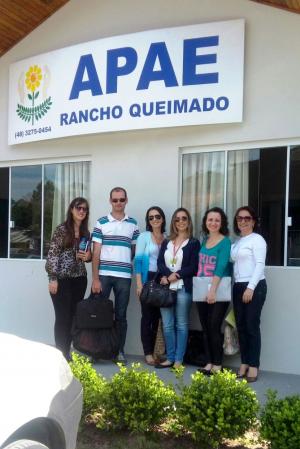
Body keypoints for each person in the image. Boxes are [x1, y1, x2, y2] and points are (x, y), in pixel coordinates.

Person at [91, 187, 139, 364]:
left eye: (121, 199)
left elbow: (133, 250)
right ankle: (96, 351)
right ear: (110, 201)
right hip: (103, 275)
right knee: (99, 314)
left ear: (126, 201)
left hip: (124, 277)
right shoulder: (101, 222)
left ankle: (119, 351)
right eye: (115, 200)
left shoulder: (133, 224)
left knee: (121, 316)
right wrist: (95, 279)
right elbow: (96, 253)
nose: (118, 203)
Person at [45, 197, 91, 361]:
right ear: (71, 209)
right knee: (62, 317)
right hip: (62, 280)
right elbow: (52, 255)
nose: (81, 211)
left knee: (73, 317)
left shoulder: (86, 232)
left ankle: (67, 352)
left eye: (84, 209)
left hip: (79, 279)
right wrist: (53, 278)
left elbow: (88, 257)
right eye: (78, 208)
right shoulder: (62, 230)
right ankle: (60, 354)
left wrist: (88, 256)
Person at [156, 207, 200, 369]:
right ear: (173, 223)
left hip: (183, 287)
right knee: (167, 324)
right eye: (177, 219)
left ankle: (179, 360)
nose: (180, 222)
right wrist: (167, 275)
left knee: (181, 324)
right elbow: (160, 262)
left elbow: (194, 266)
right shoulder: (167, 241)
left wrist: (177, 275)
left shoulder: (194, 243)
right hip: (166, 288)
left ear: (188, 222)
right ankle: (170, 357)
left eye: (184, 219)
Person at [231, 206, 267, 383]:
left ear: (253, 221)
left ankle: (254, 365)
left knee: (252, 326)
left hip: (254, 285)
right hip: (238, 286)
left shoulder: (257, 240)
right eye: (239, 218)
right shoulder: (237, 242)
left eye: (247, 218)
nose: (243, 221)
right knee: (241, 327)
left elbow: (260, 265)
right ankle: (244, 362)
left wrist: (250, 287)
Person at [196, 207, 231, 375]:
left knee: (214, 326)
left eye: (217, 220)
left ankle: (218, 363)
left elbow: (221, 266)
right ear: (205, 222)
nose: (213, 223)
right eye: (210, 220)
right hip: (201, 288)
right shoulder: (205, 241)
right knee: (205, 326)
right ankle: (209, 362)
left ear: (222, 223)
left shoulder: (225, 242)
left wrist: (213, 291)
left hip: (218, 290)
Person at [134, 206, 166, 366]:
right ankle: (147, 353)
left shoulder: (167, 238)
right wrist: (139, 284)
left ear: (162, 219)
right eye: (151, 217)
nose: (154, 220)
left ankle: (157, 351)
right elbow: (138, 261)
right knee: (147, 318)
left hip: (163, 281)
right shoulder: (144, 237)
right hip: (147, 279)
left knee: (159, 318)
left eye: (157, 216)